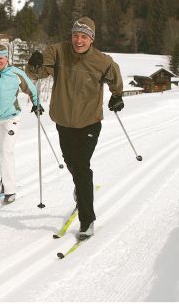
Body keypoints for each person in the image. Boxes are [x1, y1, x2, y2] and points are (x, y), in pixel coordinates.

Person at [27, 16, 124, 240]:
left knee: (81, 167)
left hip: (89, 122)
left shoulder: (102, 61)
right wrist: (34, 63)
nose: (78, 40)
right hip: (63, 120)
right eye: (75, 35)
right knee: (71, 162)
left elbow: (115, 80)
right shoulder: (58, 51)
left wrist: (117, 96)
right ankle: (80, 189)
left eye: (83, 36)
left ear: (91, 39)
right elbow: (37, 72)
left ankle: (87, 219)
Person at [0, 44, 41, 204]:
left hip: (11, 118)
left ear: (7, 58)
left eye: (1, 58)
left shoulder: (16, 73)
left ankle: (10, 190)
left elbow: (31, 88)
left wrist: (36, 103)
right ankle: (5, 179)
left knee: (6, 151)